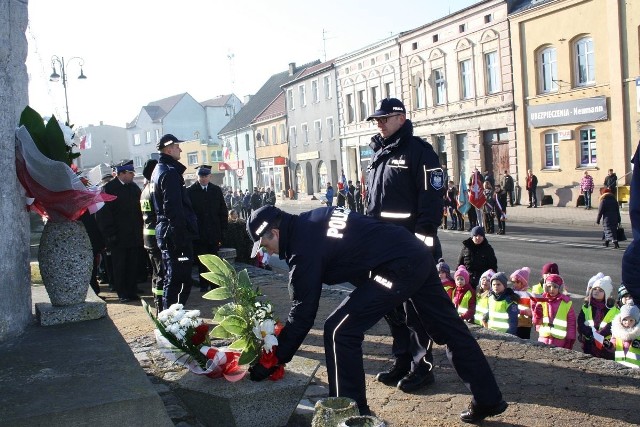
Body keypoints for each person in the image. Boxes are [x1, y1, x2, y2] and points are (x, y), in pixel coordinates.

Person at [245, 205, 507, 423]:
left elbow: (303, 313)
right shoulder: (314, 218)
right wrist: (385, 303)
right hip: (413, 253)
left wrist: (275, 358)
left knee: (339, 330)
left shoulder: (303, 249)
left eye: (264, 244)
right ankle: (489, 399)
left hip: (398, 268)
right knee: (451, 330)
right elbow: (356, 251)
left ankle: (350, 415)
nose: (266, 252)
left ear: (275, 232)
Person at [364, 98, 446, 393]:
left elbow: (432, 199)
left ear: (401, 118)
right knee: (392, 309)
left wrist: (423, 243)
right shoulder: (379, 153)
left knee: (416, 312)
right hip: (382, 250)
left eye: (384, 118)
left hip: (409, 250)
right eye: (377, 120)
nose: (379, 124)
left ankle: (422, 368)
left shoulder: (420, 152)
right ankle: (402, 360)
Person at [151, 134, 199, 310]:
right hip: (174, 234)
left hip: (167, 231)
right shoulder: (169, 172)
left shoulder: (160, 169)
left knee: (173, 278)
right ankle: (172, 321)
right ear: (169, 149)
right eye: (177, 146)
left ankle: (169, 318)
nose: (180, 149)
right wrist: (180, 238)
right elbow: (174, 208)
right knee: (179, 280)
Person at [96, 159, 144, 302]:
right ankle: (122, 292)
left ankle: (131, 290)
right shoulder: (108, 189)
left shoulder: (134, 188)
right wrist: (109, 234)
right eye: (130, 173)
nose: (133, 175)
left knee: (132, 264)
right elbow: (103, 215)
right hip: (117, 236)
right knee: (120, 266)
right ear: (121, 173)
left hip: (133, 235)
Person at [187, 165, 228, 292]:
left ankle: (215, 284)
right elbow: (188, 213)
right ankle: (204, 285)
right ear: (197, 176)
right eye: (201, 176)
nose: (203, 179)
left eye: (205, 176)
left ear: (210, 176)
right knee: (202, 260)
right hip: (199, 233)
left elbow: (222, 211)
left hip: (214, 232)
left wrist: (223, 230)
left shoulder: (216, 190)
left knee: (214, 259)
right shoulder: (190, 191)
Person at [140, 159, 164, 311]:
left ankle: (157, 301)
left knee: (156, 274)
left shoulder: (144, 190)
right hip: (157, 238)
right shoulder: (155, 190)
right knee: (162, 273)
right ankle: (162, 306)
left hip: (148, 238)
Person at [532, 274, 576, 349]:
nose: (551, 289)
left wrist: (570, 339)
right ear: (545, 287)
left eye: (555, 287)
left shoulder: (566, 303)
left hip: (560, 340)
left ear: (560, 288)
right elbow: (536, 323)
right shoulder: (541, 301)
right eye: (549, 286)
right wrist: (537, 315)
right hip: (543, 339)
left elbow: (571, 323)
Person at [577, 275, 615, 360]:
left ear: (606, 294)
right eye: (595, 289)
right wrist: (588, 333)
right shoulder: (586, 306)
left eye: (601, 290)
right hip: (589, 342)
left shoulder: (613, 309)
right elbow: (580, 321)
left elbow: (612, 325)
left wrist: (600, 334)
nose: (596, 291)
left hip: (605, 344)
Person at [606, 303, 640, 368]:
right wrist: (609, 345)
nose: (627, 322)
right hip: (620, 365)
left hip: (636, 366)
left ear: (636, 321)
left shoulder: (638, 332)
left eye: (631, 320)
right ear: (621, 320)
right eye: (625, 319)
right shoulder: (617, 332)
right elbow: (613, 344)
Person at [510, 267, 533, 339]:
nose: (515, 284)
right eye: (513, 282)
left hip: (525, 323)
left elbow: (534, 308)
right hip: (514, 322)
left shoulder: (529, 293)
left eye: (517, 282)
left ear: (523, 282)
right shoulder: (511, 292)